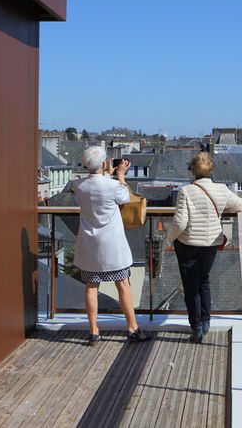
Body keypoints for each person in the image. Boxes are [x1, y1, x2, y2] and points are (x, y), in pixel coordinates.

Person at [70, 146, 149, 345]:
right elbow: (124, 197)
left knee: (91, 286)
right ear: (105, 164)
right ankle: (132, 328)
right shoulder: (112, 186)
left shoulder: (78, 185)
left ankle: (94, 330)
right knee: (123, 284)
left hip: (89, 243)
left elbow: (93, 184)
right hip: (112, 244)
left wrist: (107, 173)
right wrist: (120, 175)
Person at [167, 152, 242, 343]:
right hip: (210, 243)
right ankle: (205, 322)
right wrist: (222, 210)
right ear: (210, 170)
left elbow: (180, 223)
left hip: (188, 244)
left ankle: (196, 328)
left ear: (193, 171)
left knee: (190, 286)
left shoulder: (186, 191)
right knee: (204, 280)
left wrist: (170, 239)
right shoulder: (222, 190)